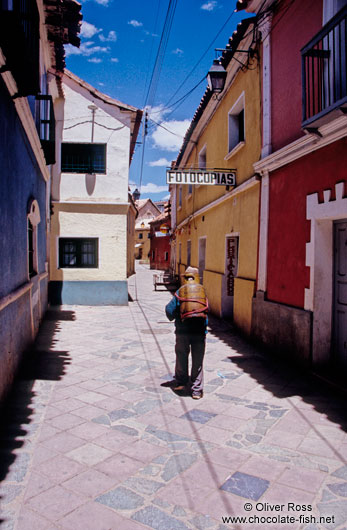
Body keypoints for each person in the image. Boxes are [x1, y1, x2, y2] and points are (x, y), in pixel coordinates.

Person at [165, 266, 208, 400]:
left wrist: (178, 315)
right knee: (198, 360)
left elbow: (169, 311)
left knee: (182, 355)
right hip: (200, 331)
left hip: (183, 331)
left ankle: (181, 383)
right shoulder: (202, 291)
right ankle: (196, 390)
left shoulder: (181, 291)